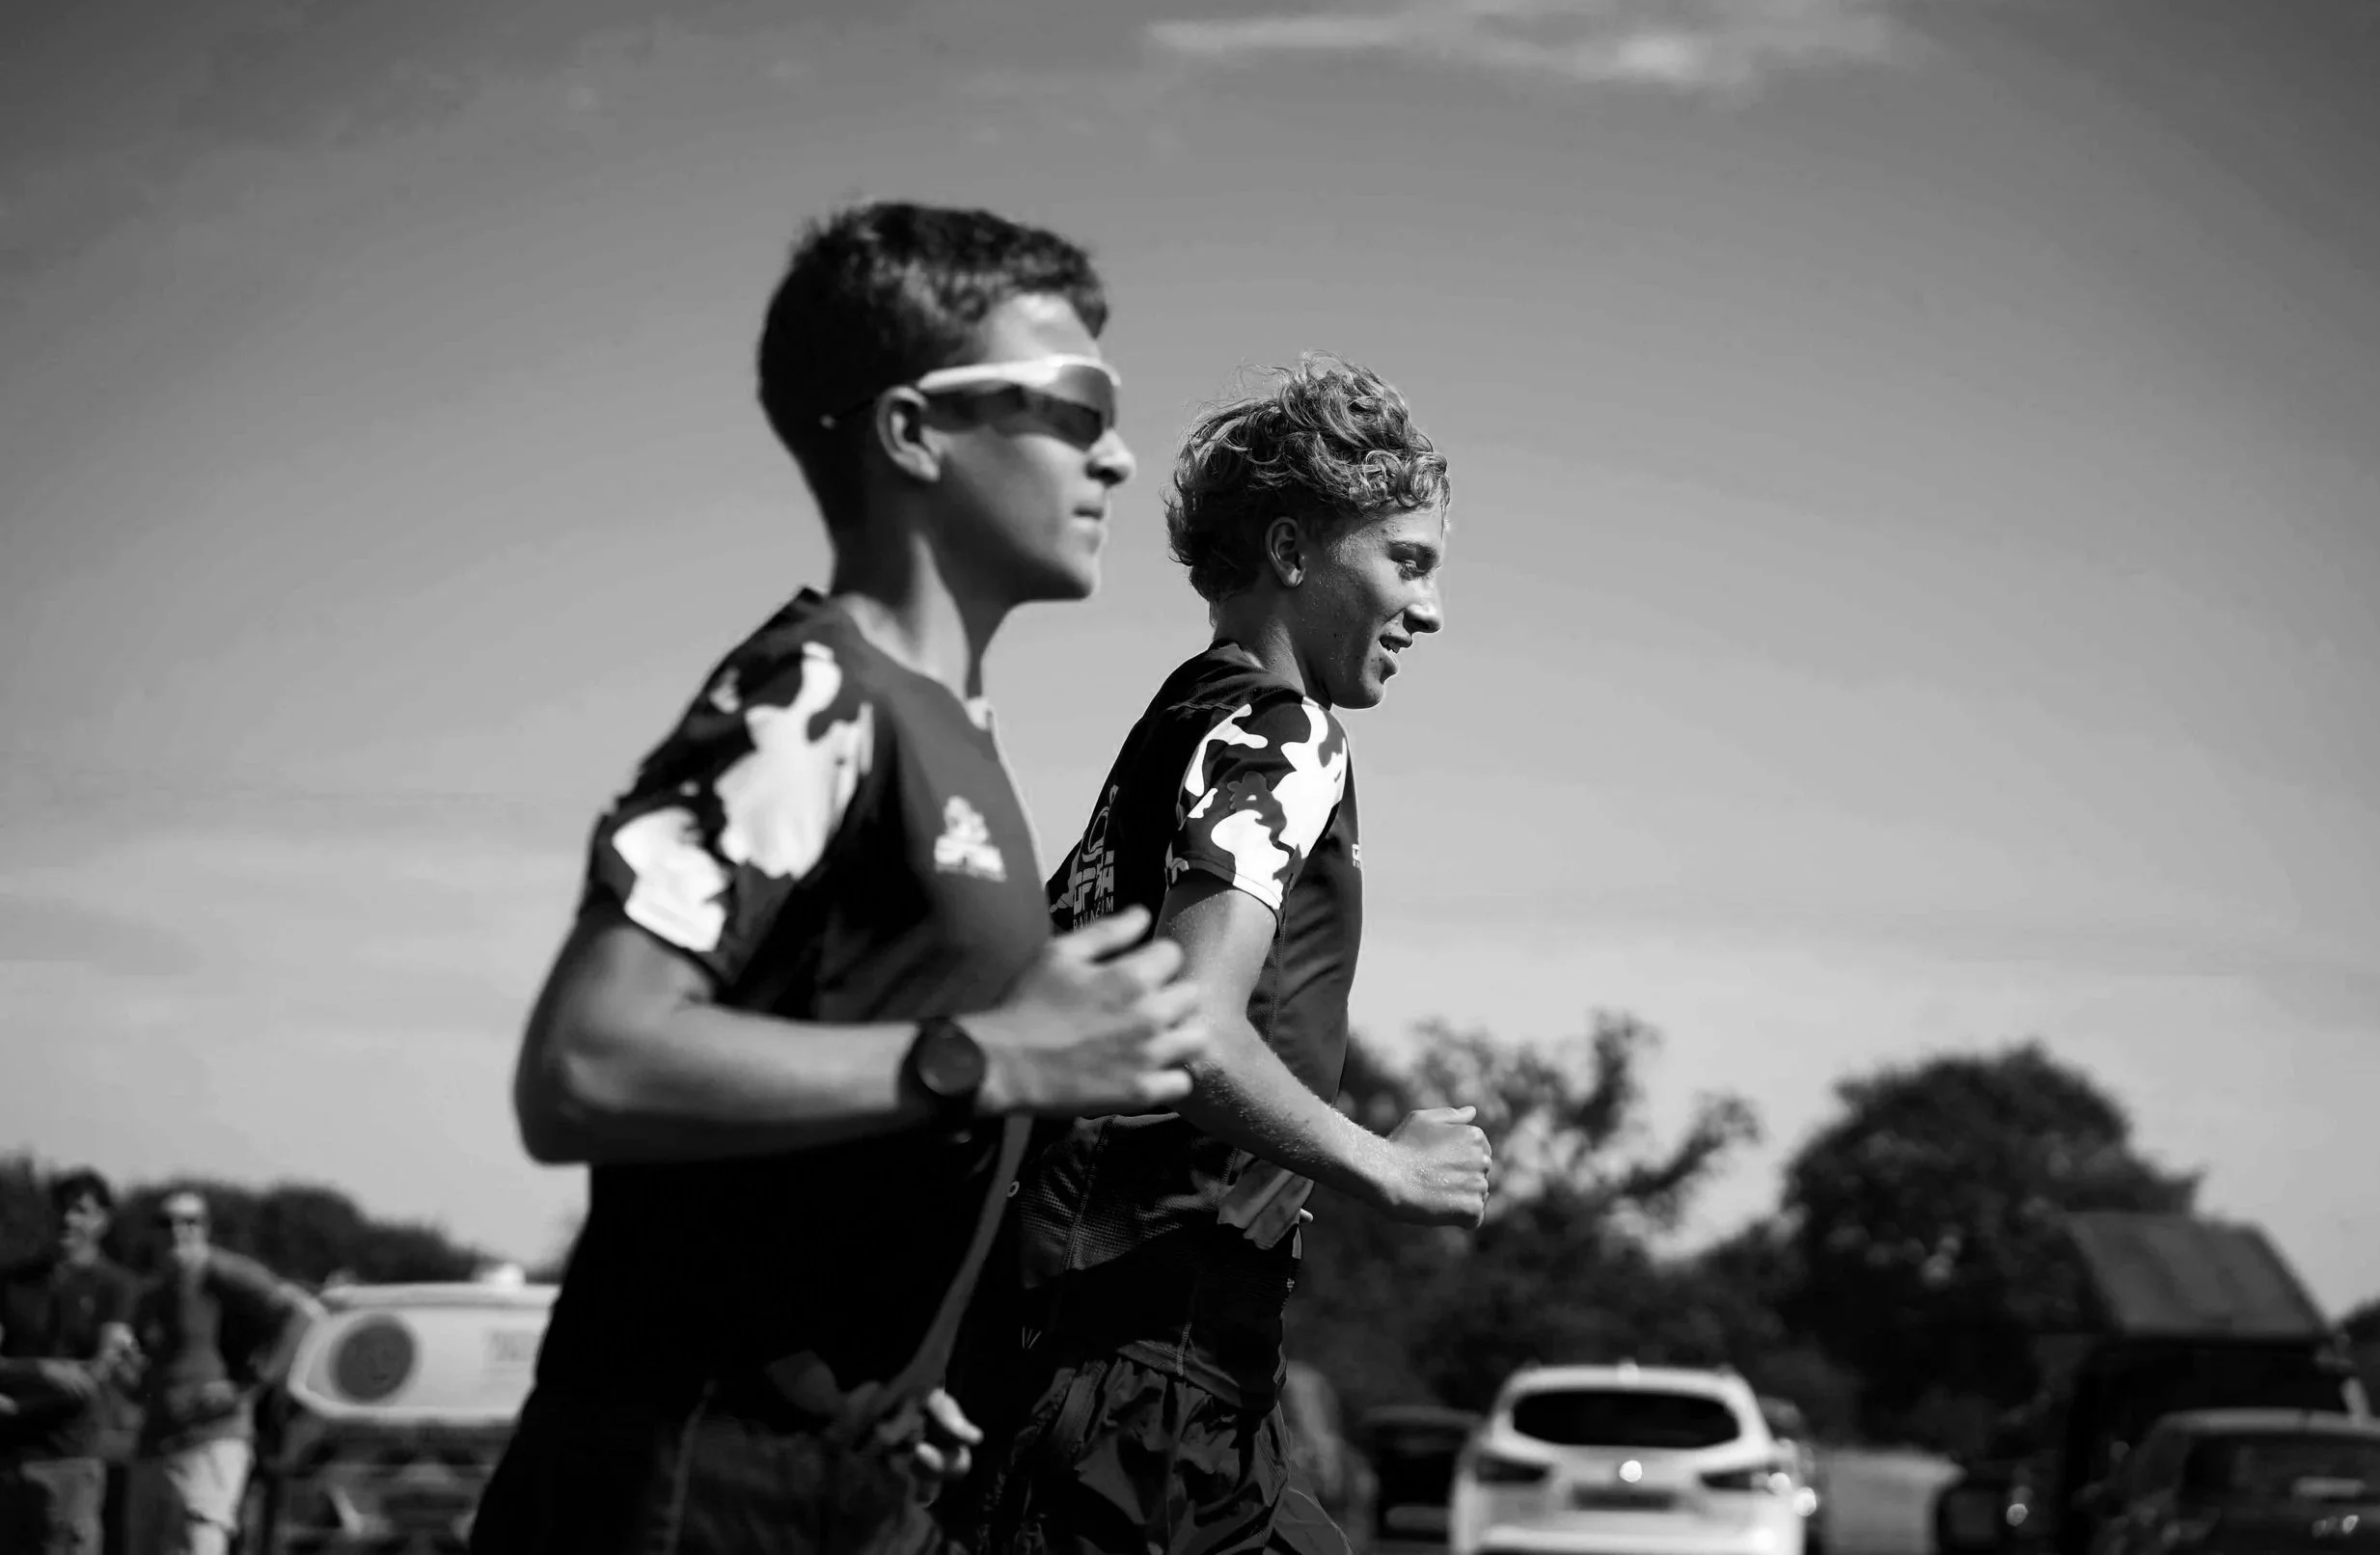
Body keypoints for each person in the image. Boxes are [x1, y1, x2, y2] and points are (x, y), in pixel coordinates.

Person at [471, 201, 1211, 1555]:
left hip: (831, 1476)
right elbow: (583, 1060)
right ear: (912, 431)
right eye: (1074, 407)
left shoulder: (946, 725)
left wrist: (883, 1378)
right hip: (684, 1481)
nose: (1116, 452)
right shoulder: (813, 695)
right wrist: (988, 1055)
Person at [969, 358, 1492, 1555]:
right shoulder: (1281, 732)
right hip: (1144, 1386)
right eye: (1405, 561)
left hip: (1105, 1363)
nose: (1429, 609)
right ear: (1293, 549)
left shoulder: (1172, 727)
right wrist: (1387, 1168)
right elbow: (1191, 1030)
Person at [126, 1189, 316, 1555]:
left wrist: (248, 1384)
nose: (178, 1231)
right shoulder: (152, 1292)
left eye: (190, 1222)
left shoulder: (224, 1274)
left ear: (206, 1228)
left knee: (200, 1543)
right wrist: (133, 1379)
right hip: (156, 1443)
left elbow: (301, 1315)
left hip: (212, 1438)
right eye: (166, 1222)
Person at [0, 1168, 141, 1555]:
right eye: (61, 1208)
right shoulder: (11, 1281)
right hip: (7, 1459)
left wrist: (16, 1406)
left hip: (69, 1461)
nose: (67, 1219)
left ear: (102, 1221)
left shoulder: (117, 1286)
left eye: (81, 1210)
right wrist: (44, 1370)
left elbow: (95, 1375)